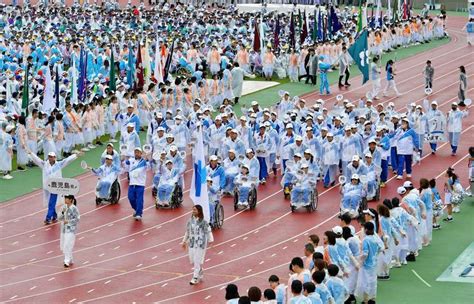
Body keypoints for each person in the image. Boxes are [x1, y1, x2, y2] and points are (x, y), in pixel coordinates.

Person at [28, 151, 78, 224]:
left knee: (52, 202)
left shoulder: (59, 164)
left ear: (55, 157)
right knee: (50, 202)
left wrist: (75, 155)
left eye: (53, 157)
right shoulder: (44, 165)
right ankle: (54, 216)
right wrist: (30, 153)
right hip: (47, 186)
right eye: (50, 156)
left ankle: (48, 218)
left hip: (55, 187)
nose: (51, 158)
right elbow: (37, 160)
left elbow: (67, 160)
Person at [181, 205, 213, 285]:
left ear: (199, 211)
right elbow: (187, 232)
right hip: (192, 243)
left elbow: (208, 231)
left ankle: (195, 277)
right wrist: (184, 241)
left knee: (196, 260)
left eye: (195, 210)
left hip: (200, 244)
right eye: (193, 210)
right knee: (192, 259)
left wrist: (211, 240)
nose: (193, 211)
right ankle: (200, 270)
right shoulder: (190, 221)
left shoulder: (203, 221)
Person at [354, 222, 384, 304]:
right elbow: (381, 248)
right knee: (373, 282)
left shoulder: (366, 240)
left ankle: (366, 300)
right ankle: (373, 299)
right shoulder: (375, 238)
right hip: (374, 263)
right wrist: (375, 254)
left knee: (365, 282)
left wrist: (359, 260)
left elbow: (365, 254)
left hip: (366, 265)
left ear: (366, 229)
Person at [123, 147, 150, 220]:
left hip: (140, 184)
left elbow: (149, 166)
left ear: (141, 153)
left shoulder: (143, 162)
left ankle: (139, 213)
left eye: (138, 152)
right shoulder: (131, 160)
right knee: (130, 197)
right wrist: (124, 157)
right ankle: (137, 209)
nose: (136, 153)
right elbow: (125, 163)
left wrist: (147, 159)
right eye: (135, 152)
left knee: (139, 199)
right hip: (132, 183)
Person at [57, 194, 80, 268]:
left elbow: (77, 219)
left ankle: (66, 260)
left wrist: (69, 222)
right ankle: (70, 258)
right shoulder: (63, 207)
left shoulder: (74, 208)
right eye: (65, 198)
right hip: (64, 229)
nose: (65, 200)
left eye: (66, 198)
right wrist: (63, 213)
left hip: (71, 230)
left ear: (70, 199)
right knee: (65, 244)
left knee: (67, 244)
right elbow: (59, 217)